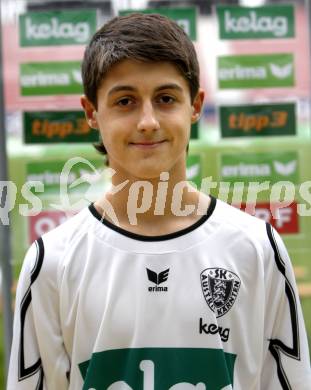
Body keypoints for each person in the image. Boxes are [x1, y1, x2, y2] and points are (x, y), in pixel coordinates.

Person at [7, 12, 311, 390]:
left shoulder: (256, 249)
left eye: (165, 98)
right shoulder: (52, 262)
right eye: (125, 101)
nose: (148, 120)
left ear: (195, 106)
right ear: (91, 113)